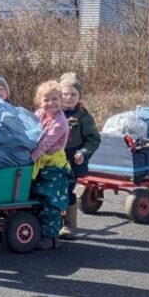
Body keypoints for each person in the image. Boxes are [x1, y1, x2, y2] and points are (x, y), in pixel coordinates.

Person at [30, 81, 71, 250]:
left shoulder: (60, 122)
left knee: (51, 201)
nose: (51, 103)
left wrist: (30, 157)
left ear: (61, 100)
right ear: (40, 102)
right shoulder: (40, 114)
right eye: (46, 99)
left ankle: (51, 237)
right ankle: (36, 231)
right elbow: (30, 129)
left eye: (55, 99)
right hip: (40, 163)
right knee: (36, 198)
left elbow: (45, 144)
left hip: (54, 166)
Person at [59, 73, 100, 239]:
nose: (69, 98)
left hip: (72, 159)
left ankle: (70, 224)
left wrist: (84, 152)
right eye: (65, 94)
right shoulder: (52, 112)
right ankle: (53, 220)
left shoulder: (83, 117)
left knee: (68, 189)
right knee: (52, 189)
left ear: (79, 96)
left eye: (73, 94)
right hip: (53, 158)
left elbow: (93, 139)